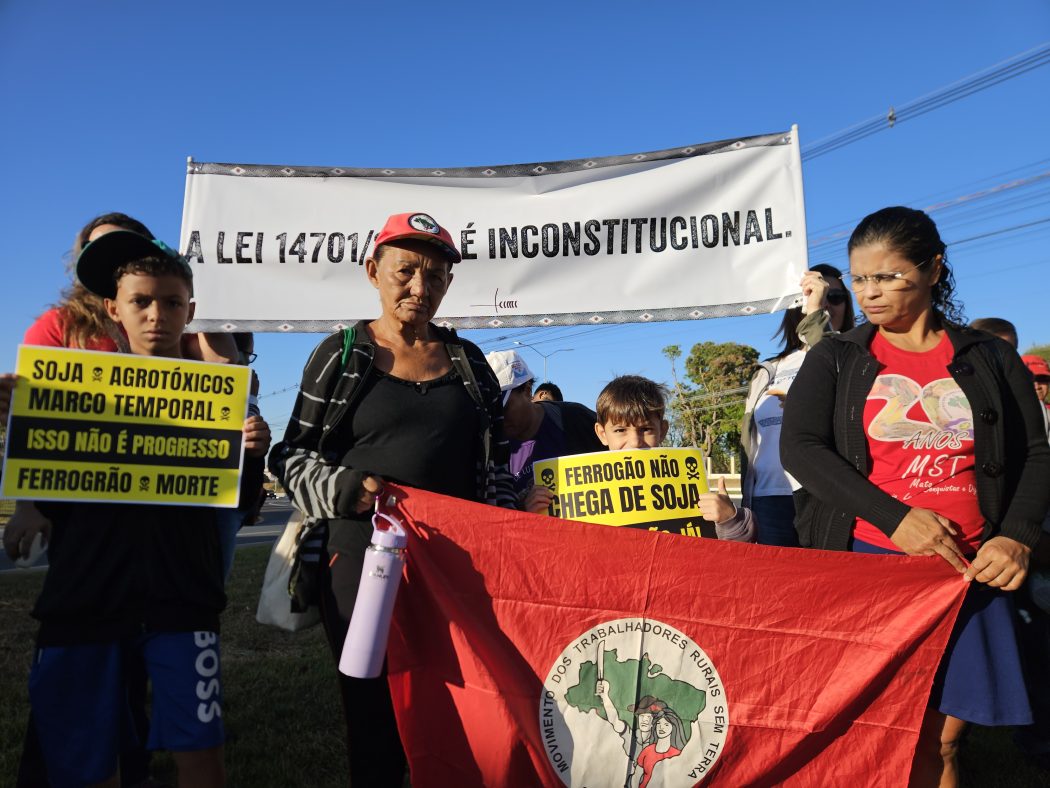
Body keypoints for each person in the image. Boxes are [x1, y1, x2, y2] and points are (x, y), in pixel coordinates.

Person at [781, 206, 1050, 786]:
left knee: (944, 743)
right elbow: (801, 449)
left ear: (932, 268)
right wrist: (893, 517)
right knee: (878, 736)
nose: (870, 293)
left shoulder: (990, 355)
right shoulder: (837, 356)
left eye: (888, 276)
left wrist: (1016, 536)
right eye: (859, 279)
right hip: (873, 572)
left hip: (972, 575)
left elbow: (1035, 453)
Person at [3, 229, 268, 788]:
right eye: (140, 302)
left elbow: (237, 504)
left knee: (200, 746)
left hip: (182, 598)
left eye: (171, 303)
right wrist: (21, 420)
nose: (156, 316)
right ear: (111, 309)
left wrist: (249, 451)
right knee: (85, 760)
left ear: (190, 310)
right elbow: (45, 483)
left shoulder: (216, 398)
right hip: (87, 595)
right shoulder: (69, 392)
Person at [269, 212, 516, 787]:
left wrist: (510, 515)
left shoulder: (470, 362)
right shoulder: (342, 354)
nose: (419, 288)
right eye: (405, 271)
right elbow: (290, 457)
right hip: (360, 562)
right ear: (372, 272)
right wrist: (346, 489)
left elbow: (496, 460)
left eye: (435, 276)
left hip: (459, 566)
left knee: (460, 698)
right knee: (372, 706)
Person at [740, 264, 854, 547]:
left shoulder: (855, 355)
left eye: (834, 297)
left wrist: (816, 313)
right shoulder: (768, 370)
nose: (825, 303)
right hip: (768, 499)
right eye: (812, 295)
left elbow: (831, 357)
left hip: (823, 496)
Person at [487, 349, 605, 502]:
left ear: (528, 391)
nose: (498, 418)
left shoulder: (576, 419)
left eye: (503, 408)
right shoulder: (490, 448)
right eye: (490, 412)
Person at [635, 705, 688, 788]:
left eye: (666, 724)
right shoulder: (647, 750)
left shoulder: (678, 754)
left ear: (673, 727)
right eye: (659, 724)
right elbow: (636, 776)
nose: (661, 727)